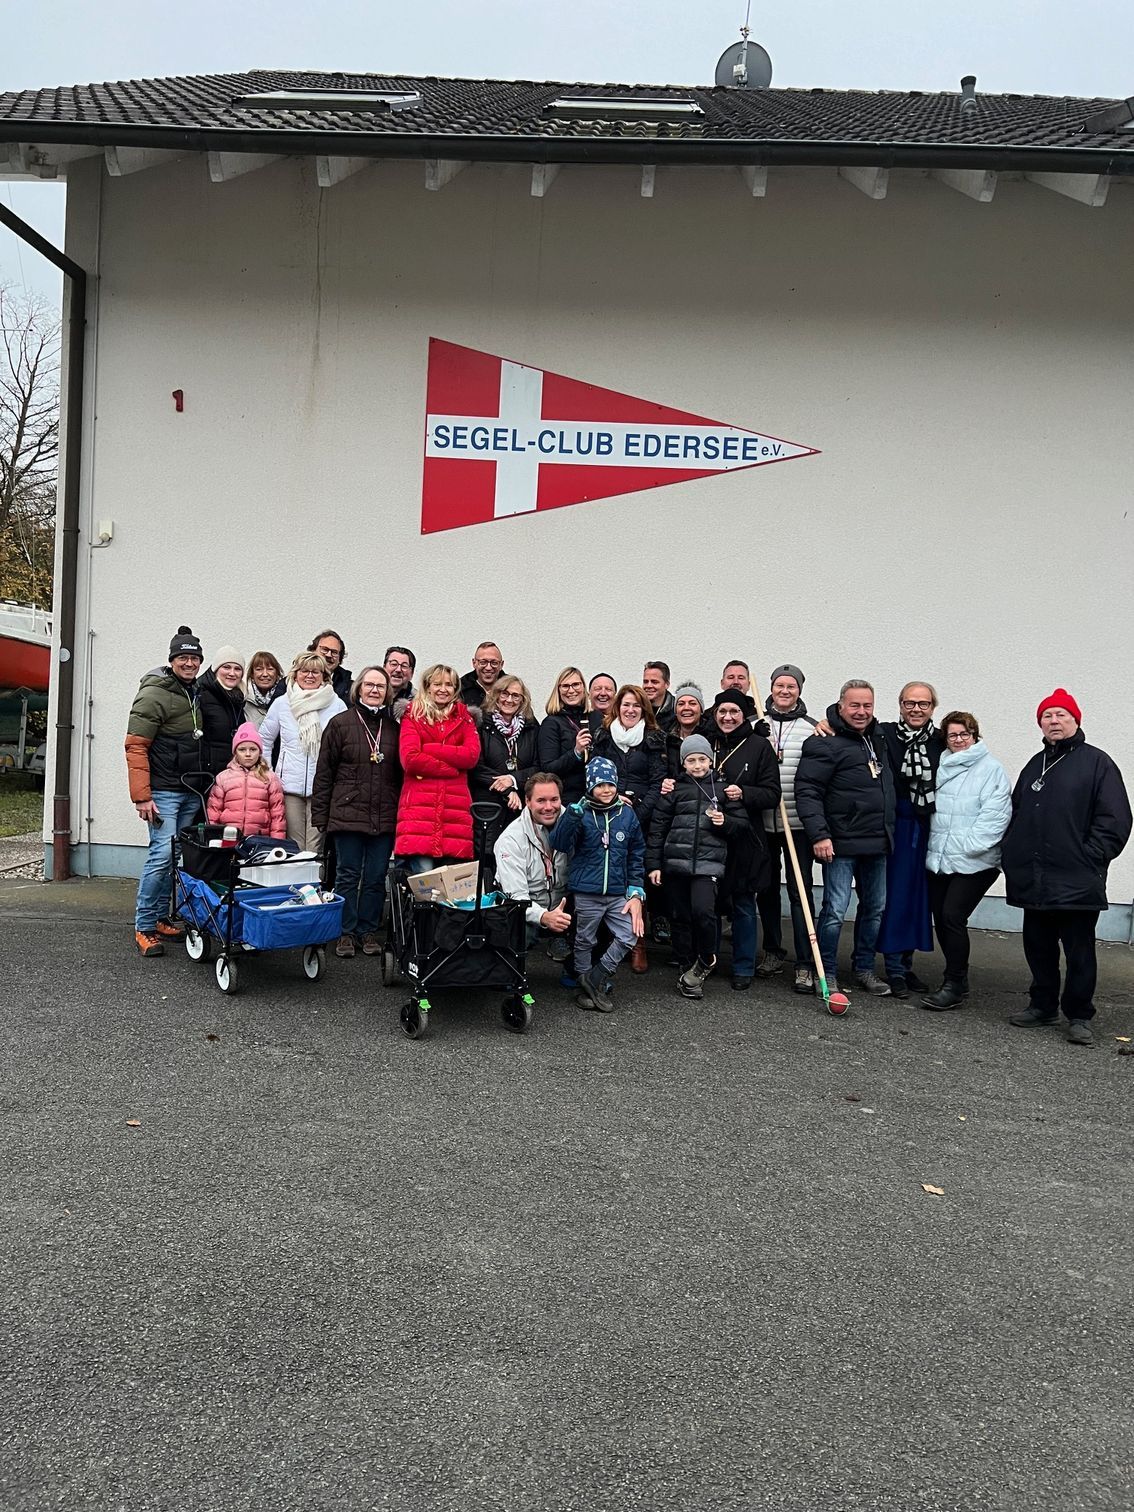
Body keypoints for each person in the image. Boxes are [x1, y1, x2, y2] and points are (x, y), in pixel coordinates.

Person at [1001, 689, 1132, 1047]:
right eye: (1047, 715)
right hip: (1035, 878)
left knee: (1079, 952)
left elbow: (1115, 819)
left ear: (1076, 720)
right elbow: (1017, 813)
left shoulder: (1097, 763)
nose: (1054, 721)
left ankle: (1079, 1015)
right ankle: (1042, 1006)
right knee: (1038, 946)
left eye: (1061, 714)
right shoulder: (1035, 764)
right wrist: (1012, 851)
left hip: (1076, 878)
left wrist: (1091, 856)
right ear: (1040, 723)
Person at [795, 680, 896, 997]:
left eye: (867, 705)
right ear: (840, 707)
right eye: (854, 705)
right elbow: (807, 791)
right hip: (839, 843)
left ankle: (864, 968)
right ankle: (825, 972)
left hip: (877, 841)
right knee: (835, 911)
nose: (861, 711)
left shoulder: (879, 738)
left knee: (875, 909)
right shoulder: (823, 742)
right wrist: (820, 835)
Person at [125, 625, 209, 956]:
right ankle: (144, 926)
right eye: (183, 658)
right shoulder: (155, 693)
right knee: (161, 854)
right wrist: (142, 796)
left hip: (188, 788)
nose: (189, 663)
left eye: (194, 658)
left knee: (174, 855)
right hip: (163, 791)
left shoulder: (193, 690)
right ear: (172, 660)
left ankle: (161, 917)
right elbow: (135, 746)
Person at [647, 733, 750, 999]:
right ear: (683, 763)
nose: (697, 765)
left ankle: (706, 958)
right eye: (691, 760)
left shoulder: (723, 790)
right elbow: (658, 828)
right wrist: (654, 864)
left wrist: (725, 822)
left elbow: (742, 825)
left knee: (703, 911)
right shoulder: (673, 790)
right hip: (675, 864)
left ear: (711, 760)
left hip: (708, 865)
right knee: (680, 917)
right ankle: (686, 968)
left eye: (702, 759)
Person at [921, 711, 1012, 1010]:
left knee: (952, 916)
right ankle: (958, 977)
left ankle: (954, 984)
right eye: (953, 735)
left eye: (965, 734)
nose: (959, 740)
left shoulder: (990, 769)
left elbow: (996, 815)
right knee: (941, 918)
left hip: (976, 860)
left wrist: (969, 846)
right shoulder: (940, 765)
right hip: (940, 856)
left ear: (974, 735)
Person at [311, 665, 403, 959]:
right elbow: (324, 773)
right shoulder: (340, 724)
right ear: (358, 688)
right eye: (369, 685)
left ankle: (367, 930)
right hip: (347, 813)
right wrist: (320, 815)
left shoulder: (395, 728)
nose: (375, 690)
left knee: (376, 877)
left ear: (388, 693)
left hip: (384, 814)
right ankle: (346, 931)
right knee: (347, 875)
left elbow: (401, 777)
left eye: (381, 686)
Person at [548, 757, 646, 1013]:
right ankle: (584, 982)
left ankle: (596, 976)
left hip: (617, 892)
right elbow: (559, 843)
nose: (606, 790)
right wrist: (572, 816)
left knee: (629, 934)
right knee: (584, 940)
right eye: (599, 785)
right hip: (586, 891)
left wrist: (636, 888)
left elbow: (636, 854)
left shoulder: (627, 814)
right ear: (590, 786)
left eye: (610, 784)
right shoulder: (580, 813)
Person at [702, 689, 781, 989]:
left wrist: (744, 793)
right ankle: (706, 961)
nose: (727, 717)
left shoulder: (759, 746)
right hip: (709, 836)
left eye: (734, 711)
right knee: (709, 903)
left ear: (743, 714)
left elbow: (772, 794)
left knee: (744, 903)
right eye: (722, 711)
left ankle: (743, 967)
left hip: (745, 837)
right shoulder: (706, 741)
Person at [875, 681, 946, 996]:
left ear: (933, 707)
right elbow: (848, 720)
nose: (916, 709)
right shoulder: (884, 734)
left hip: (929, 827)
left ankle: (906, 964)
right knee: (896, 897)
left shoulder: (942, 740)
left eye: (923, 704)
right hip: (897, 829)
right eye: (910, 703)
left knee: (919, 900)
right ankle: (894, 969)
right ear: (900, 705)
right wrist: (825, 722)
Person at [591, 683, 667, 971]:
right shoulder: (603, 738)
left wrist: (637, 812)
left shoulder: (653, 739)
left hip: (640, 817)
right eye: (626, 704)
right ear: (617, 707)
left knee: (637, 877)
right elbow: (594, 777)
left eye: (636, 705)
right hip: (606, 816)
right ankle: (607, 940)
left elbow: (658, 782)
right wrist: (612, 802)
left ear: (643, 709)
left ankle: (637, 943)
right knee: (609, 875)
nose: (631, 710)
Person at [757, 664, 821, 995]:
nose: (784, 691)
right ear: (770, 688)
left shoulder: (812, 728)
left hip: (796, 824)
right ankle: (772, 951)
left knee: (800, 892)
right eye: (779, 685)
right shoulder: (757, 725)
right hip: (763, 823)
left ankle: (805, 962)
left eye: (791, 686)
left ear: (799, 690)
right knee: (766, 889)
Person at [394, 663, 481, 872]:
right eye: (437, 684)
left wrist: (430, 748)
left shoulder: (465, 718)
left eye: (449, 685)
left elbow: (471, 756)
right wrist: (451, 769)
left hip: (455, 813)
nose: (443, 689)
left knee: (452, 885)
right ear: (427, 686)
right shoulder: (412, 715)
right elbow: (410, 759)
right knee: (424, 883)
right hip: (419, 814)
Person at [259, 652, 347, 852]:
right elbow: (264, 740)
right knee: (295, 846)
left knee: (315, 848)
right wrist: (269, 773)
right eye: (304, 671)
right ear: (295, 674)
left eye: (316, 672)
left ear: (324, 676)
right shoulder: (282, 703)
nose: (309, 676)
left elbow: (344, 746)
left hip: (322, 788)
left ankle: (316, 875)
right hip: (289, 788)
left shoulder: (336, 705)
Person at [493, 772, 571, 946]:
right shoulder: (510, 840)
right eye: (541, 800)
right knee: (520, 932)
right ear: (527, 801)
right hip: (527, 910)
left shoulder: (576, 826)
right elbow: (516, 897)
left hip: (566, 905)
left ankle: (571, 960)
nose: (549, 807)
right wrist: (544, 916)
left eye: (554, 799)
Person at [471, 675, 542, 851]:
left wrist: (513, 779)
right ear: (496, 695)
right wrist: (507, 790)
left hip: (520, 806)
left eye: (516, 696)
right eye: (504, 693)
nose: (509, 700)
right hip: (488, 806)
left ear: (523, 700)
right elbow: (476, 767)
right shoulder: (481, 724)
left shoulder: (532, 727)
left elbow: (539, 766)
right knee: (487, 856)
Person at [206, 722, 286, 839]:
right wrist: (212, 839)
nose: (248, 754)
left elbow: (277, 815)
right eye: (242, 750)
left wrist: (277, 842)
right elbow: (213, 813)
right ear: (235, 752)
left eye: (253, 749)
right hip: (229, 838)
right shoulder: (223, 778)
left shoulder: (270, 778)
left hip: (259, 839)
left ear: (260, 752)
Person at [538, 667, 592, 806]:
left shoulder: (596, 717)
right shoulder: (551, 723)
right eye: (565, 686)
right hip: (568, 799)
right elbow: (548, 768)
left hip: (597, 797)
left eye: (576, 684)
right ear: (558, 690)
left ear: (583, 687)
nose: (571, 690)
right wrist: (576, 752)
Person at [196, 645, 247, 780]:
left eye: (237, 669)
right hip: (209, 775)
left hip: (233, 773)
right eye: (226, 667)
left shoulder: (239, 697)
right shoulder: (201, 694)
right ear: (216, 669)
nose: (232, 673)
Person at [666, 681, 705, 775]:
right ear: (675, 710)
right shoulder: (666, 738)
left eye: (692, 703)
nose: (686, 708)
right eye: (681, 704)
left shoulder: (711, 738)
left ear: (701, 709)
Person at [244, 651, 286, 729]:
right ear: (252, 674)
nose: (265, 674)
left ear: (277, 673)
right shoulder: (243, 701)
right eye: (259, 669)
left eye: (270, 669)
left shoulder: (286, 699)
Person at [308, 630, 352, 704]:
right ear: (313, 651)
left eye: (334, 652)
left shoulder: (350, 689)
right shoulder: (293, 681)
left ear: (340, 659)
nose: (329, 655)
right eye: (324, 649)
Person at [459, 641, 505, 709]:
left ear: (501, 665)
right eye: (483, 662)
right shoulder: (460, 688)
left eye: (494, 663)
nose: (488, 668)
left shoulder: (512, 687)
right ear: (474, 663)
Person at [642, 661, 676, 732]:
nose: (649, 686)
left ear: (667, 684)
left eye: (654, 682)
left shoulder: (677, 710)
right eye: (645, 682)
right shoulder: (636, 707)